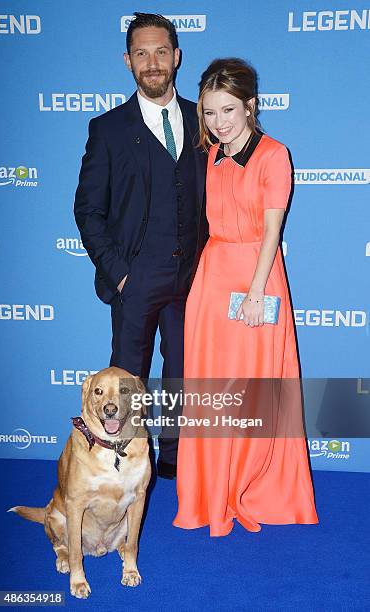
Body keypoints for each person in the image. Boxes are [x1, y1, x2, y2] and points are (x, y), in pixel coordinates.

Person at [173, 58, 318, 535]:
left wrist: (256, 292)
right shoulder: (210, 154)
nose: (218, 122)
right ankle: (212, 492)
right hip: (213, 279)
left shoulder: (274, 154)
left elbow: (272, 234)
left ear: (251, 106)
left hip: (257, 277)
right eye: (210, 113)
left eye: (229, 111)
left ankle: (257, 488)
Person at [74, 13, 207, 479]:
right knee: (125, 379)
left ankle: (172, 459)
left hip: (192, 276)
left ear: (177, 57)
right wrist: (120, 272)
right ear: (127, 60)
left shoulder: (203, 120)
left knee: (182, 373)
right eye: (142, 53)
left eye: (161, 52)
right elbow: (88, 211)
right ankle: (119, 466)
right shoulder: (108, 129)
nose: (153, 63)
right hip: (135, 276)